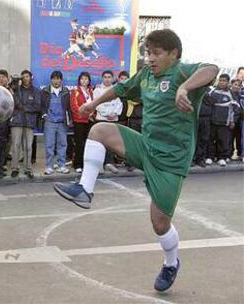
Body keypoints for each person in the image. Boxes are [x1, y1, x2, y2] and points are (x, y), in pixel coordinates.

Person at [54, 29, 218, 292]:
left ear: (173, 54)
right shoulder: (145, 76)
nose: (150, 58)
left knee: (159, 223)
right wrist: (91, 104)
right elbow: (119, 89)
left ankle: (171, 263)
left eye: (156, 53)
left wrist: (184, 88)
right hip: (145, 146)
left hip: (171, 161)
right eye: (148, 53)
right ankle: (85, 189)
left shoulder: (182, 72)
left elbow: (212, 68)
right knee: (98, 131)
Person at [10, 70, 41, 179]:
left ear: (31, 77)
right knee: (15, 145)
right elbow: (14, 103)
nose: (25, 78)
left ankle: (28, 168)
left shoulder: (36, 91)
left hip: (29, 122)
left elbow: (37, 107)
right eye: (23, 77)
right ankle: (14, 168)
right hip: (17, 121)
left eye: (27, 76)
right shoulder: (16, 90)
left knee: (28, 147)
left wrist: (23, 108)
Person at [41, 70, 71, 175]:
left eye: (58, 78)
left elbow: (69, 107)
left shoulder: (66, 91)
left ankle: (61, 165)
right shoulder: (45, 91)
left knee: (62, 144)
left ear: (61, 80)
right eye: (54, 78)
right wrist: (44, 115)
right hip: (49, 122)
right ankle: (49, 166)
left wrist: (69, 120)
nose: (56, 81)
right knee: (49, 145)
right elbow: (41, 105)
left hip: (62, 122)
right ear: (51, 79)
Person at [93, 70, 123, 174]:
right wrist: (107, 114)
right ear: (102, 78)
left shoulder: (116, 89)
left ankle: (109, 163)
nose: (107, 79)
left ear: (112, 78)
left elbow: (119, 104)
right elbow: (97, 104)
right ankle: (99, 165)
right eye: (105, 77)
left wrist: (114, 113)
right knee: (100, 143)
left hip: (113, 119)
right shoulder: (97, 90)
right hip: (101, 119)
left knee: (111, 143)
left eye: (109, 77)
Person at [70, 71, 93, 173]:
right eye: (82, 79)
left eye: (86, 79)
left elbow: (94, 103)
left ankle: (86, 164)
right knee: (79, 143)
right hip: (79, 120)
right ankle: (77, 164)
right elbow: (74, 106)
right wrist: (84, 114)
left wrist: (92, 113)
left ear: (89, 81)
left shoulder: (91, 91)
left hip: (90, 120)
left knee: (88, 143)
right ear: (79, 80)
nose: (84, 81)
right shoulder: (75, 91)